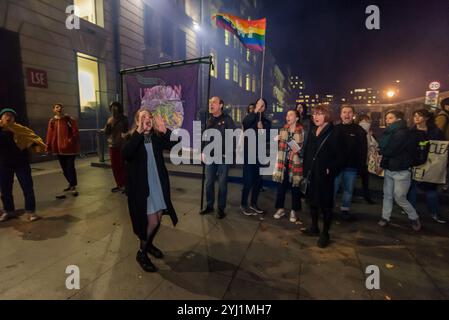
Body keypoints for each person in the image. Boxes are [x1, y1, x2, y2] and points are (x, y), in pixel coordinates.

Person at [122, 108, 179, 272]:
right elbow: (126, 154)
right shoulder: (131, 137)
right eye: (143, 116)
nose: (148, 118)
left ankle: (149, 244)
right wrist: (139, 131)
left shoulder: (155, 137)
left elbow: (176, 145)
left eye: (149, 116)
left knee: (157, 220)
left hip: (158, 185)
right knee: (152, 221)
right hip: (142, 188)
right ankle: (142, 253)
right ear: (137, 120)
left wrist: (165, 131)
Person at [301, 105, 344, 248]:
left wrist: (330, 169)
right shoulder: (313, 130)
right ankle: (314, 228)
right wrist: (305, 170)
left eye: (319, 114)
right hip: (311, 173)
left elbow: (341, 156)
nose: (316, 117)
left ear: (326, 115)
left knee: (325, 205)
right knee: (312, 202)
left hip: (324, 175)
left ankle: (325, 233)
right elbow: (307, 151)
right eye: (314, 114)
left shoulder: (335, 132)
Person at [378, 110, 422, 231]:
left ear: (398, 120)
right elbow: (387, 153)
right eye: (387, 118)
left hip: (402, 170)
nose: (387, 120)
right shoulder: (390, 132)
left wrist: (380, 150)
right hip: (390, 168)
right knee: (387, 195)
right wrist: (382, 164)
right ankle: (385, 217)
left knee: (400, 197)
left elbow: (390, 150)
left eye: (390, 118)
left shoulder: (402, 133)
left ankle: (414, 217)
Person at [0, 108, 45, 222]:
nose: (8, 117)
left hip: (21, 163)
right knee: (5, 189)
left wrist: (37, 146)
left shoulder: (21, 130)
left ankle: (31, 212)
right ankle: (9, 211)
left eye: (11, 115)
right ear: (1, 118)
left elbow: (33, 140)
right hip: (4, 164)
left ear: (14, 119)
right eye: (5, 115)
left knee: (27, 187)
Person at [408, 109, 446, 224]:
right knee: (412, 188)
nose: (416, 118)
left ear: (426, 118)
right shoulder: (411, 131)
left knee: (431, 190)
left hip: (431, 164)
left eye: (419, 116)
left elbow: (442, 148)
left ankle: (434, 212)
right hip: (415, 163)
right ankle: (411, 212)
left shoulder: (435, 132)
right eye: (414, 115)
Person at [200, 97, 236, 219]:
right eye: (210, 102)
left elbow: (233, 138)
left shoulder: (227, 120)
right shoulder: (208, 119)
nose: (211, 104)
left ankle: (221, 208)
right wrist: (202, 151)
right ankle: (209, 206)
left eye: (214, 102)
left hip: (223, 157)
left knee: (222, 184)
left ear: (221, 105)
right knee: (208, 183)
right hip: (210, 156)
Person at [333, 105, 367, 221]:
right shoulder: (335, 129)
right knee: (333, 189)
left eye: (349, 112)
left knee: (348, 190)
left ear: (353, 115)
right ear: (340, 114)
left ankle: (345, 210)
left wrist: (361, 166)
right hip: (336, 167)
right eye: (344, 112)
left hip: (351, 167)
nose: (346, 115)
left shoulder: (359, 130)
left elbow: (363, 150)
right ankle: (329, 209)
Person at [272, 109, 304, 223]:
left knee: (295, 188)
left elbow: (302, 148)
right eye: (287, 115)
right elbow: (279, 146)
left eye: (291, 115)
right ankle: (280, 209)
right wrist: (278, 140)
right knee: (281, 187)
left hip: (295, 163)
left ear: (297, 118)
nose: (288, 117)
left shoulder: (301, 130)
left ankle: (294, 211)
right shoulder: (283, 129)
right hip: (283, 163)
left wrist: (296, 150)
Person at [240, 98, 271, 216]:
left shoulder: (266, 122)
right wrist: (255, 111)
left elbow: (267, 138)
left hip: (260, 156)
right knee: (248, 181)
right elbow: (245, 123)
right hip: (249, 155)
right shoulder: (251, 119)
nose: (260, 107)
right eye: (258, 105)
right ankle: (243, 204)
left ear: (265, 108)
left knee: (258, 182)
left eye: (262, 106)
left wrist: (262, 129)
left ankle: (253, 203)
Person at [46, 103, 80, 199]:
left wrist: (70, 141)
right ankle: (70, 183)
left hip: (69, 149)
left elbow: (75, 132)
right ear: (54, 110)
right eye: (57, 107)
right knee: (64, 168)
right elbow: (49, 134)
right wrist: (48, 147)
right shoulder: (52, 121)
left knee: (70, 167)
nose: (59, 108)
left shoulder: (69, 120)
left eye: (61, 107)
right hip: (58, 149)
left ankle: (73, 186)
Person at [103, 101, 128, 193]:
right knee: (115, 166)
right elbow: (107, 132)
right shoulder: (110, 120)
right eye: (112, 107)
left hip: (122, 145)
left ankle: (126, 184)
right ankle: (119, 184)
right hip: (112, 145)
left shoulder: (124, 119)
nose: (114, 109)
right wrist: (108, 126)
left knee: (123, 166)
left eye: (116, 107)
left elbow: (127, 131)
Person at [358, 114, 376, 204]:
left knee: (364, 180)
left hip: (363, 160)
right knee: (364, 180)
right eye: (368, 120)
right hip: (361, 159)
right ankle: (366, 196)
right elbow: (371, 145)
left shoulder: (368, 132)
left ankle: (366, 196)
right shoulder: (363, 130)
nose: (368, 122)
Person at [435, 97, 449, 191]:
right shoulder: (443, 117)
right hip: (445, 146)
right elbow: (437, 132)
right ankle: (444, 184)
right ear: (446, 106)